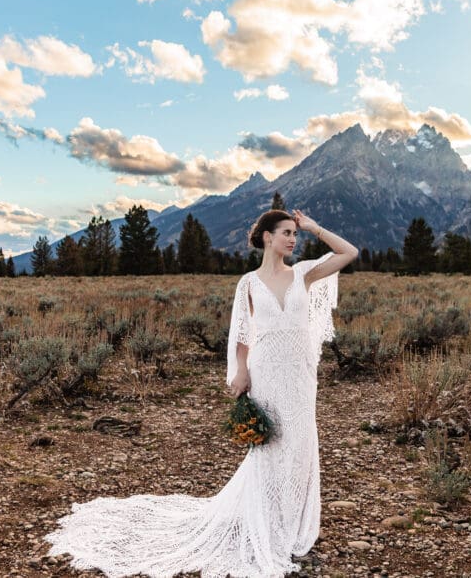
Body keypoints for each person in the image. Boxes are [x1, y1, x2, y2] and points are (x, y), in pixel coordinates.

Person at [43, 208, 358, 577]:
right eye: (286, 232)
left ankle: (293, 523)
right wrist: (240, 371)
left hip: (301, 375)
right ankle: (266, 519)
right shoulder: (249, 284)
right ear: (267, 237)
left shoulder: (304, 273)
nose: (293, 238)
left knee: (300, 445)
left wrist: (315, 228)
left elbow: (348, 253)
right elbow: (242, 335)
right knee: (271, 445)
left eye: (295, 233)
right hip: (267, 372)